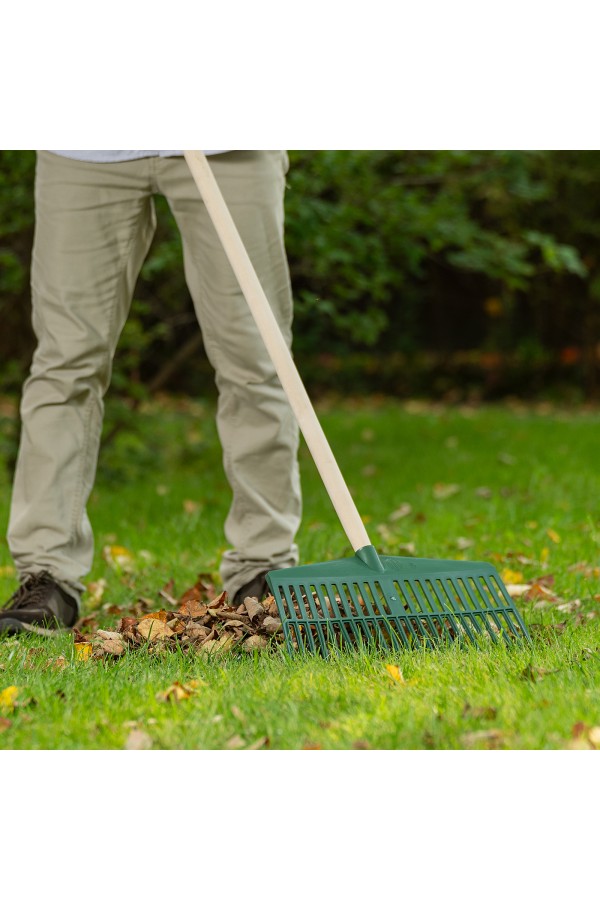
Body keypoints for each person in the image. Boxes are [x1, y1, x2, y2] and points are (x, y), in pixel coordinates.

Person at [0, 150, 301, 636]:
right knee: (64, 364)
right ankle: (47, 576)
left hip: (227, 137)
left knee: (257, 359)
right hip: (85, 137)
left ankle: (263, 572)